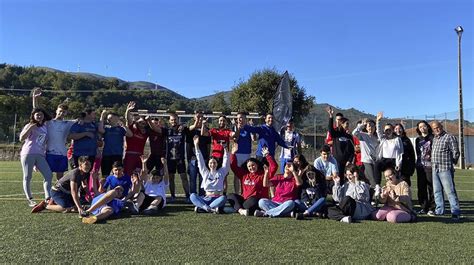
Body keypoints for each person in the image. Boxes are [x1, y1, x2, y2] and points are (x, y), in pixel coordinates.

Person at [32, 88, 76, 180]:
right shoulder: (49, 122)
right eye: (60, 111)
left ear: (66, 113)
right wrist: (35, 98)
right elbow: (37, 111)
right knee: (48, 176)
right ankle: (48, 194)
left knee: (60, 177)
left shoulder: (68, 123)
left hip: (62, 154)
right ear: (56, 111)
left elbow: (83, 120)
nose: (61, 113)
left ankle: (58, 193)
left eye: (64, 112)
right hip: (50, 153)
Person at [254, 148, 302, 218]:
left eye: (290, 165)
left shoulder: (294, 179)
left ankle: (266, 213)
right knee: (261, 201)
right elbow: (265, 184)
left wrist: (294, 171)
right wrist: (266, 173)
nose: (287, 166)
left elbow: (299, 183)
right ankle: (285, 214)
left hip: (286, 203)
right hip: (275, 202)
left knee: (291, 203)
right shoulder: (279, 177)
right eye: (286, 165)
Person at [19, 108, 53, 207]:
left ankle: (48, 197)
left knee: (48, 175)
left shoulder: (45, 127)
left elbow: (44, 143)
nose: (39, 116)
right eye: (37, 115)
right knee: (27, 176)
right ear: (33, 116)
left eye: (41, 114)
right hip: (28, 154)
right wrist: (30, 128)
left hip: (40, 155)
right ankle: (30, 199)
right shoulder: (29, 125)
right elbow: (21, 138)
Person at [228, 143, 273, 216]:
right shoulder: (244, 174)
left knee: (253, 200)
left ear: (257, 165)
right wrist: (233, 154)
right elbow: (234, 167)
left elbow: (274, 167)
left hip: (255, 200)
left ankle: (239, 208)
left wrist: (268, 156)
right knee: (230, 196)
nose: (251, 167)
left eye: (253, 165)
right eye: (249, 166)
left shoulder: (262, 174)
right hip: (245, 200)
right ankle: (241, 210)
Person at [430, 121, 461, 220]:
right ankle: (439, 211)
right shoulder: (435, 138)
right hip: (435, 168)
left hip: (445, 168)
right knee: (437, 191)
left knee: (450, 191)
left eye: (438, 127)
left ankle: (455, 212)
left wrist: (451, 163)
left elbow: (456, 152)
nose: (436, 130)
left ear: (441, 127)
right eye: (434, 128)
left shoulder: (449, 137)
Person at [189, 135, 229, 213]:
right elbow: (200, 159)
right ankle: (210, 209)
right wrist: (196, 145)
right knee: (192, 196)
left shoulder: (221, 172)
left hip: (217, 198)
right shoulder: (205, 172)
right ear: (208, 164)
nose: (212, 165)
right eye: (211, 163)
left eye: (214, 163)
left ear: (217, 164)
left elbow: (226, 160)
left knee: (223, 198)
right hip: (206, 198)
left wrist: (225, 149)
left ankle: (203, 208)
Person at [374, 112, 403, 200]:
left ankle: (399, 194)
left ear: (392, 130)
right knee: (377, 164)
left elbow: (400, 152)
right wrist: (378, 121)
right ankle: (378, 186)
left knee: (396, 177)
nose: (387, 131)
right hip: (384, 160)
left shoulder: (397, 139)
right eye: (386, 130)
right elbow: (378, 130)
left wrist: (398, 164)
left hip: (394, 160)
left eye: (389, 130)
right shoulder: (383, 138)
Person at [98, 110, 132, 178]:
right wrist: (102, 116)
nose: (108, 120)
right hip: (106, 154)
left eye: (110, 118)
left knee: (118, 175)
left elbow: (130, 134)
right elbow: (100, 130)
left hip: (117, 155)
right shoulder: (106, 128)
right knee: (105, 175)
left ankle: (116, 188)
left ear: (116, 118)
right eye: (108, 119)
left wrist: (124, 125)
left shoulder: (121, 129)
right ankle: (103, 188)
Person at [165, 113, 190, 202]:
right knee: (171, 178)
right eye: (172, 119)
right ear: (169, 121)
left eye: (175, 119)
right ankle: (173, 196)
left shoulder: (183, 129)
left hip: (180, 158)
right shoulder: (167, 130)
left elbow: (191, 127)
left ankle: (188, 196)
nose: (173, 121)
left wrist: (184, 125)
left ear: (178, 120)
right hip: (170, 158)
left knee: (184, 177)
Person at [352, 118, 379, 199]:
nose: (371, 128)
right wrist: (362, 124)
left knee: (369, 182)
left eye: (372, 126)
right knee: (373, 182)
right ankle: (369, 199)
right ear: (366, 128)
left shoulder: (376, 138)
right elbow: (354, 133)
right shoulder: (363, 135)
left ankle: (368, 199)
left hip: (375, 162)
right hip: (366, 161)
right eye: (369, 126)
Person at [326, 107, 355, 181]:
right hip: (336, 161)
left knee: (346, 179)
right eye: (346, 123)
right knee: (338, 179)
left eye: (348, 124)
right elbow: (330, 129)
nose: (348, 125)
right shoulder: (336, 133)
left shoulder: (349, 136)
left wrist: (349, 160)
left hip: (346, 163)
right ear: (342, 124)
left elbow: (352, 151)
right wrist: (331, 116)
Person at [187, 111, 211, 197]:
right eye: (198, 117)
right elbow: (190, 129)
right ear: (194, 118)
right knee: (192, 179)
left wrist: (207, 157)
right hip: (193, 158)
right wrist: (197, 120)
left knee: (203, 178)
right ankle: (192, 196)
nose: (200, 118)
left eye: (201, 117)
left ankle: (201, 195)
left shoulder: (207, 130)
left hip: (203, 158)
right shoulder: (191, 129)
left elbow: (208, 145)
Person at [415, 120, 435, 215]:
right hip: (420, 166)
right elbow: (418, 153)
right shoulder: (417, 140)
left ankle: (432, 208)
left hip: (430, 166)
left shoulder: (433, 137)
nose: (422, 128)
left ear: (427, 127)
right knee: (421, 187)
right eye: (420, 127)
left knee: (431, 187)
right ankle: (424, 207)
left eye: (424, 126)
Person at [231, 112, 253, 194]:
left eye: (241, 117)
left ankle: (244, 193)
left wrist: (252, 128)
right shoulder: (235, 128)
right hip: (237, 154)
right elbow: (235, 139)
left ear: (245, 119)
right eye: (238, 118)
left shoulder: (248, 128)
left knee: (246, 175)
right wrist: (238, 129)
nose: (239, 119)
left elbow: (254, 138)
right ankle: (237, 194)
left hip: (246, 154)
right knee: (236, 175)